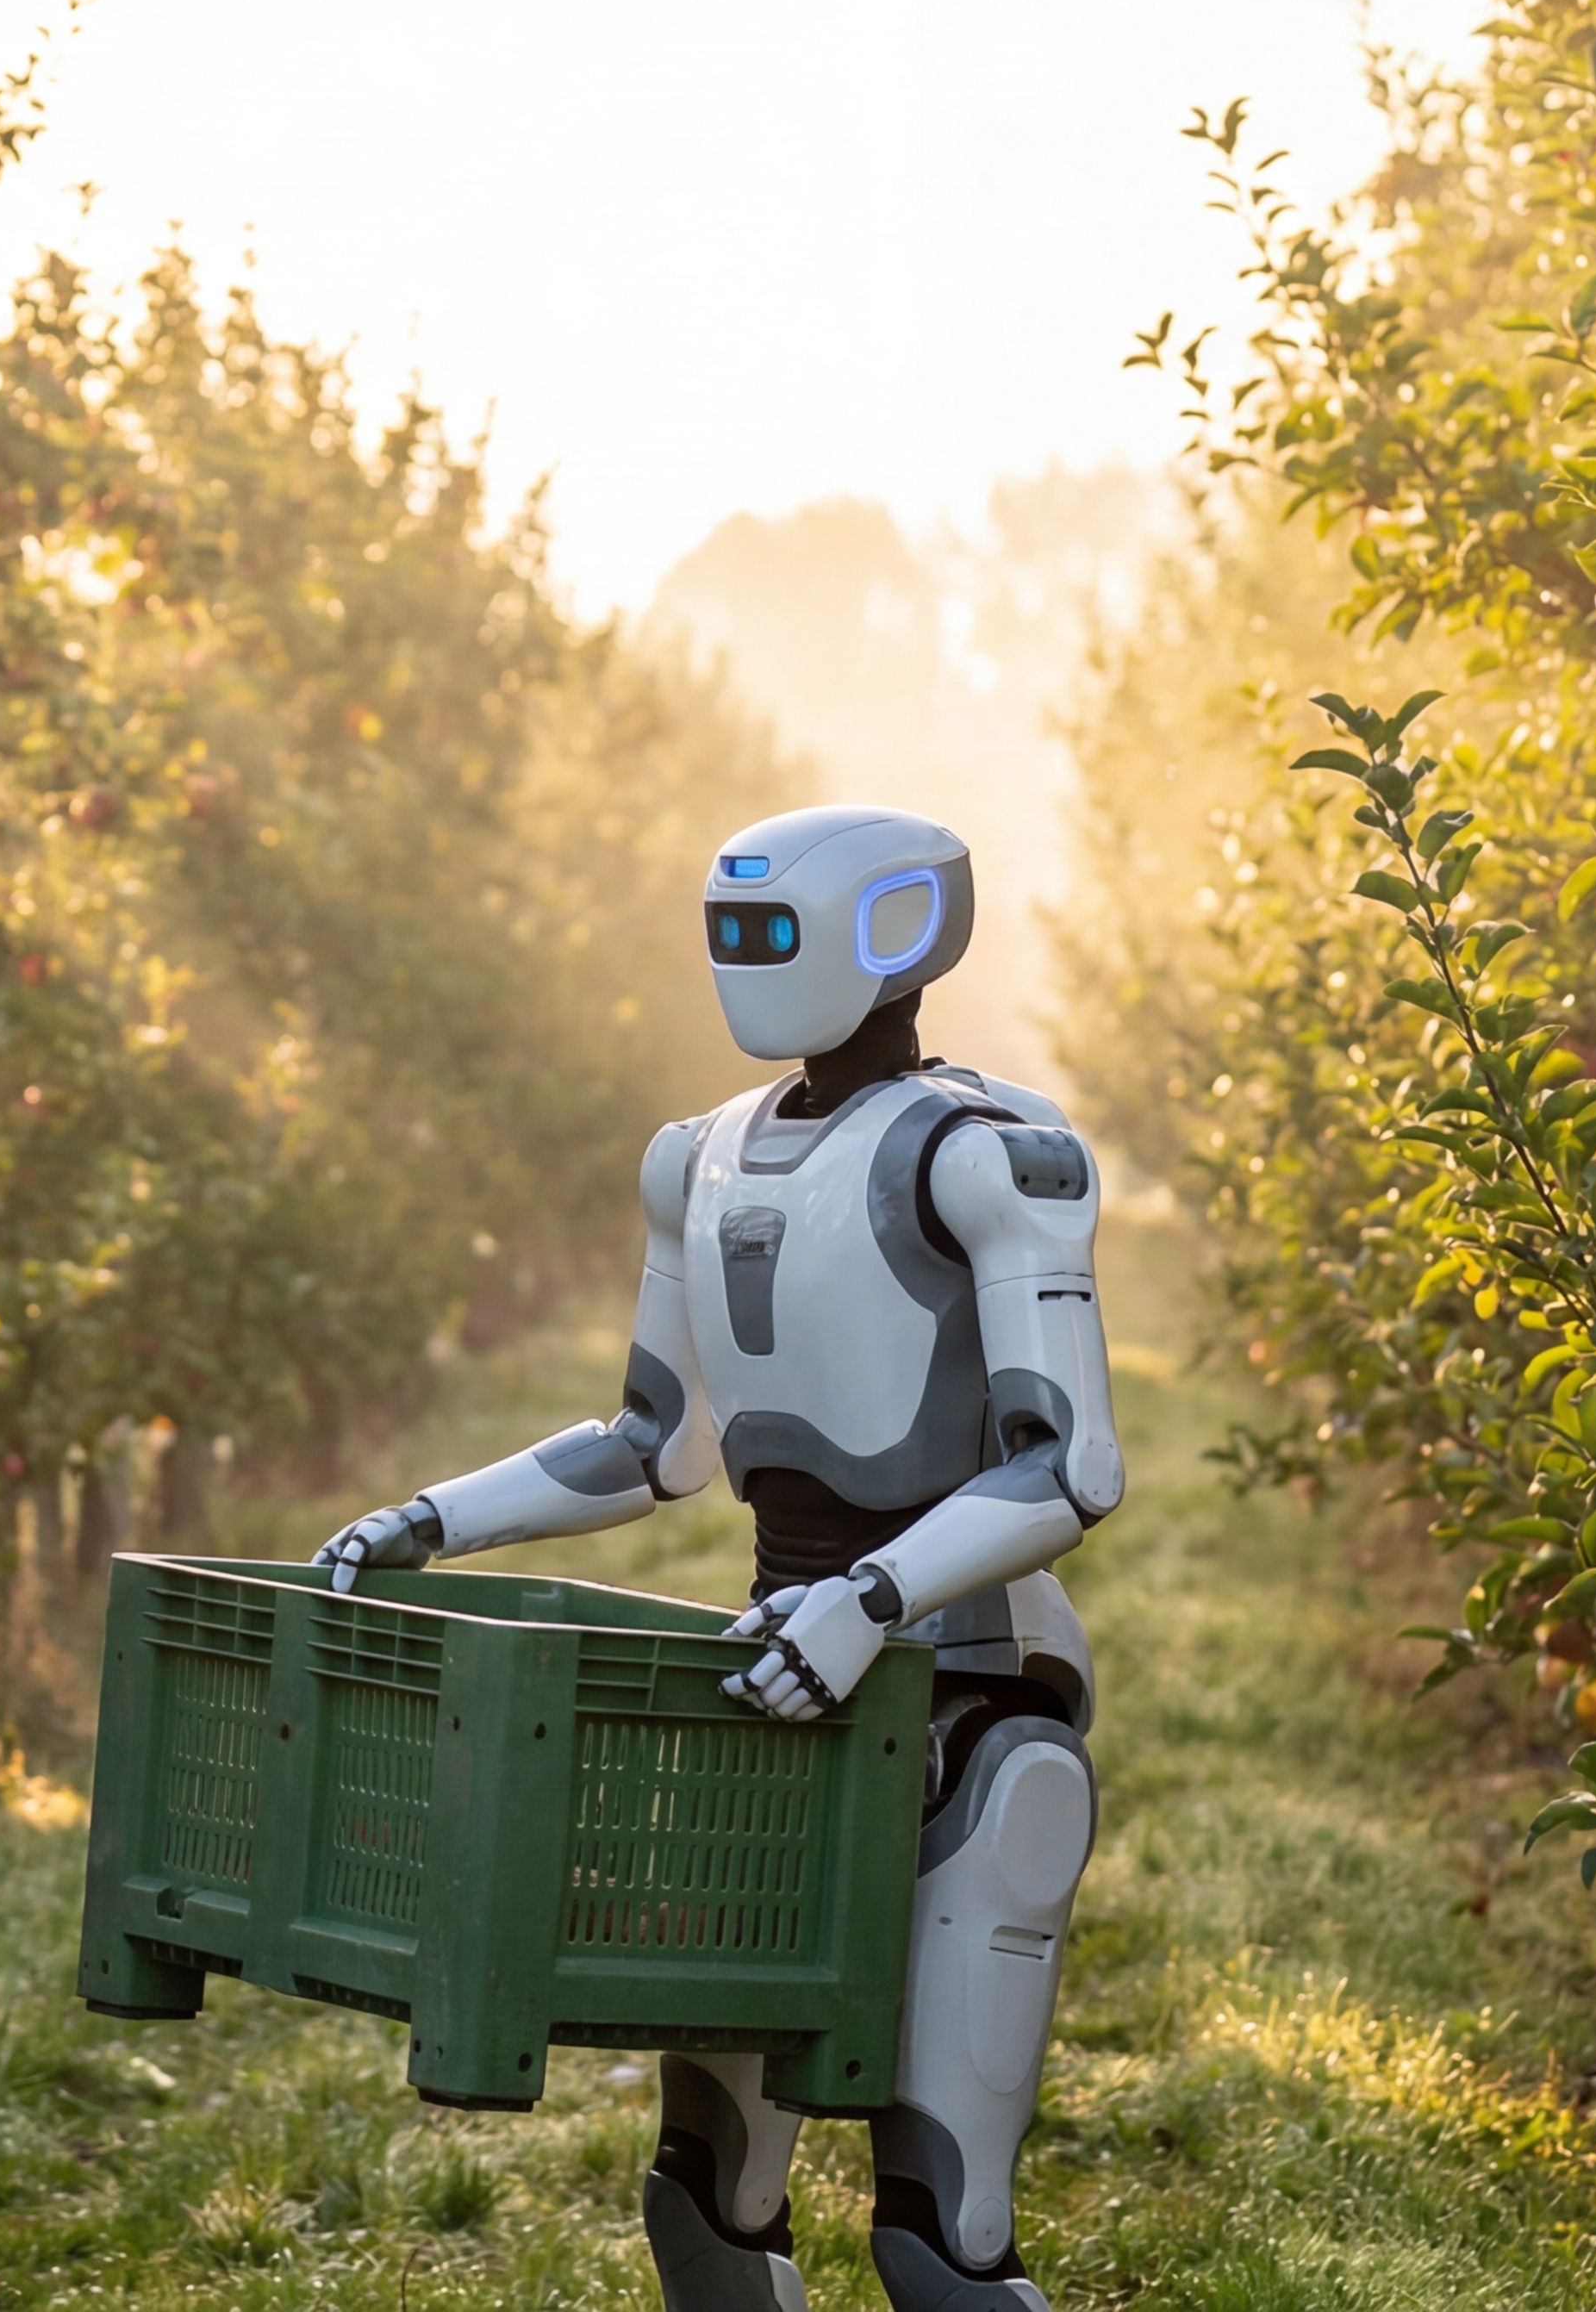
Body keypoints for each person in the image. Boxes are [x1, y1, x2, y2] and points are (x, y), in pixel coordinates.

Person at [313, 805, 1116, 2312]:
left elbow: (1068, 1465)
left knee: (938, 2236)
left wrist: (874, 1600)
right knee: (703, 2200)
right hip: (772, 1692)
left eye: (773, 934)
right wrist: (436, 1519)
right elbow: (650, 1441)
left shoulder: (992, 1158)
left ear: (890, 936)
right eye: (728, 934)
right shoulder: (698, 1158)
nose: (746, 964)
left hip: (971, 1698)